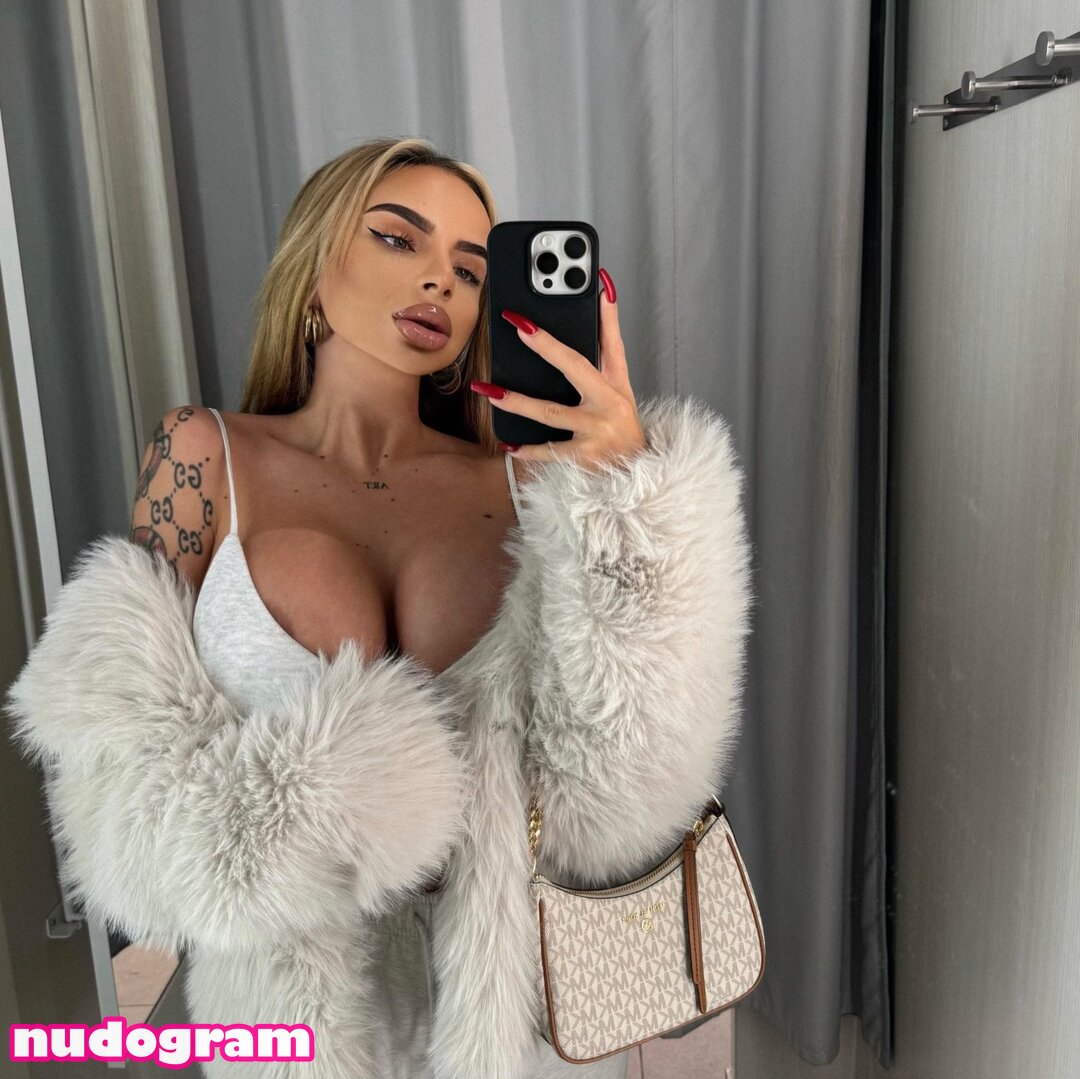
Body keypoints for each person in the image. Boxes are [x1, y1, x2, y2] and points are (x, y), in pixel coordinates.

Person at [4, 137, 755, 1078]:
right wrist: (349, 805)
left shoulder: (526, 480)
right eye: (400, 239)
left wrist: (626, 501)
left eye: (470, 270)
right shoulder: (202, 458)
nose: (440, 280)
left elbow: (625, 789)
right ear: (315, 268)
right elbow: (120, 789)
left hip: (519, 1026)